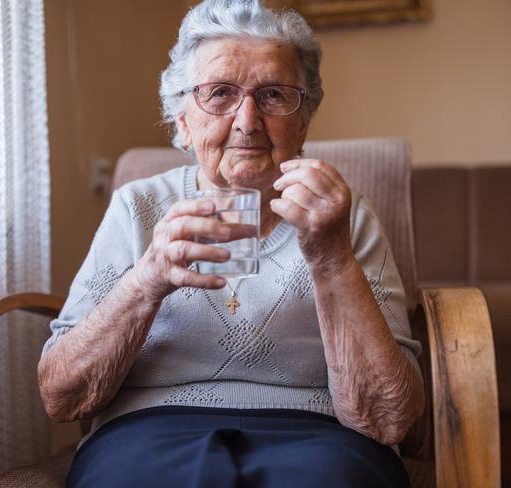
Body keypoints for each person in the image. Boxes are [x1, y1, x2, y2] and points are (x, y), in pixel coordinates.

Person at [38, 0, 424, 486]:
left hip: (321, 437)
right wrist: (149, 278)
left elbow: (392, 418)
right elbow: (62, 397)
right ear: (182, 119)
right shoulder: (137, 208)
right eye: (219, 93)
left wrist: (331, 257)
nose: (247, 120)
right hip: (147, 433)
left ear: (304, 120)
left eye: (273, 95)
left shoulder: (344, 218)